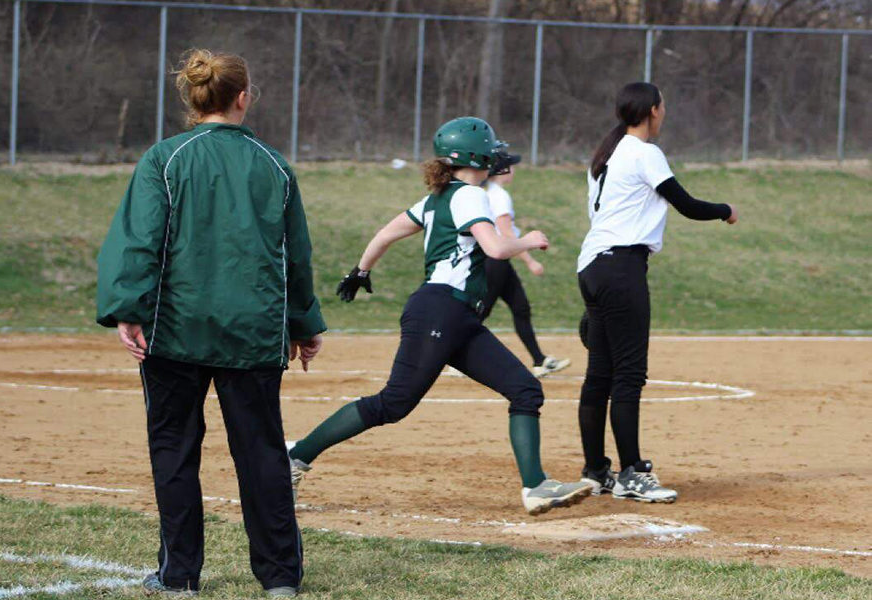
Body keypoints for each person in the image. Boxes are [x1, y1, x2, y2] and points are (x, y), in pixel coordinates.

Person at [96, 49, 325, 598]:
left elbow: (138, 240)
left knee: (174, 450)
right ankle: (279, 579)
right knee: (263, 452)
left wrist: (128, 308)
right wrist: (303, 321)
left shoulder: (166, 159)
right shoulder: (273, 165)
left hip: (174, 329)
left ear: (196, 99)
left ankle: (179, 577)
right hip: (252, 332)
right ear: (243, 97)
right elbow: (294, 255)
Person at [287, 117, 592, 516]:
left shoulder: (438, 198)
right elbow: (496, 249)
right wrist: (528, 241)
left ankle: (536, 486)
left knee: (525, 390)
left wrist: (361, 271)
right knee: (392, 404)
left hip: (457, 316)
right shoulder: (469, 194)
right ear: (476, 155)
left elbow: (384, 234)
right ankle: (294, 457)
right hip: (441, 310)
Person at [576, 82, 738, 503]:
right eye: (663, 106)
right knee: (628, 374)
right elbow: (684, 203)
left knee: (600, 374)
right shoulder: (644, 152)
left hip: (592, 265)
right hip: (621, 269)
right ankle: (632, 472)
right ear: (651, 110)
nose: (664, 112)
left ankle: (597, 470)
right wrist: (725, 211)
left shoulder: (604, 157)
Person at [481, 150, 570, 378]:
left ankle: (540, 361)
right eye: (511, 165)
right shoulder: (499, 195)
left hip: (500, 260)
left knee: (521, 308)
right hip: (495, 260)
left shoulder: (490, 192)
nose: (514, 170)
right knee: (481, 311)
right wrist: (530, 260)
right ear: (502, 169)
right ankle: (449, 352)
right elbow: (506, 232)